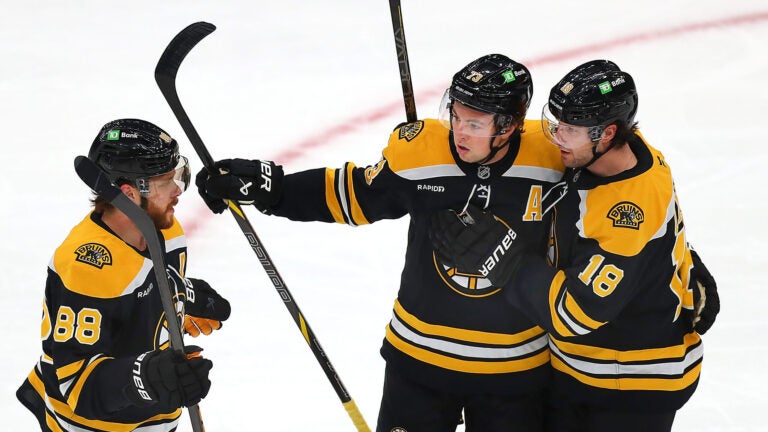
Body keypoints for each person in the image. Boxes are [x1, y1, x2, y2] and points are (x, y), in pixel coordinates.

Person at [196, 54, 565, 431]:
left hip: (514, 368)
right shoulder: (421, 155)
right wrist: (274, 189)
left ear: (509, 126)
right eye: (454, 115)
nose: (459, 131)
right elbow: (356, 194)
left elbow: (615, 183)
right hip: (420, 361)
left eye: (474, 123)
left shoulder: (554, 158)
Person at [430, 60, 720, 431]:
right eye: (557, 123)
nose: (556, 138)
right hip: (580, 372)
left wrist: (500, 258)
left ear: (607, 132)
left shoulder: (625, 210)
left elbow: (576, 312)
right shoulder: (619, 153)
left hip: (631, 384)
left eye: (569, 129)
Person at [17, 118, 231, 432]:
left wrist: (183, 296)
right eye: (165, 182)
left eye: (177, 176)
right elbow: (75, 384)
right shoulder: (87, 264)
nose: (177, 190)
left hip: (152, 416)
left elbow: (143, 288)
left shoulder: (167, 229)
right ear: (129, 193)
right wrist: (149, 376)